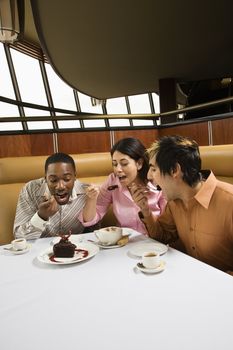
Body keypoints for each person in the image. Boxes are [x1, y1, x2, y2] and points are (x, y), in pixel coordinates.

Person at [138, 135, 233, 273]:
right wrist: (145, 211)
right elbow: (162, 237)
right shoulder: (174, 202)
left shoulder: (229, 201)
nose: (148, 176)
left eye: (153, 169)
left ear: (174, 170)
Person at [79, 137, 166, 235]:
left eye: (124, 164)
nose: (118, 169)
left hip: (155, 243)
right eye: (114, 164)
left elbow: (166, 227)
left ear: (139, 163)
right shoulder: (112, 182)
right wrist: (91, 199)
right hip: (124, 243)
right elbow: (89, 220)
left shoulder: (158, 184)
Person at [14, 152, 94, 240]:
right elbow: (19, 237)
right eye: (53, 180)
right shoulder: (30, 190)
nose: (60, 186)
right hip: (39, 250)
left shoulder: (88, 194)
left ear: (75, 177)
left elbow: (94, 231)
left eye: (66, 179)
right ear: (46, 179)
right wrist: (41, 216)